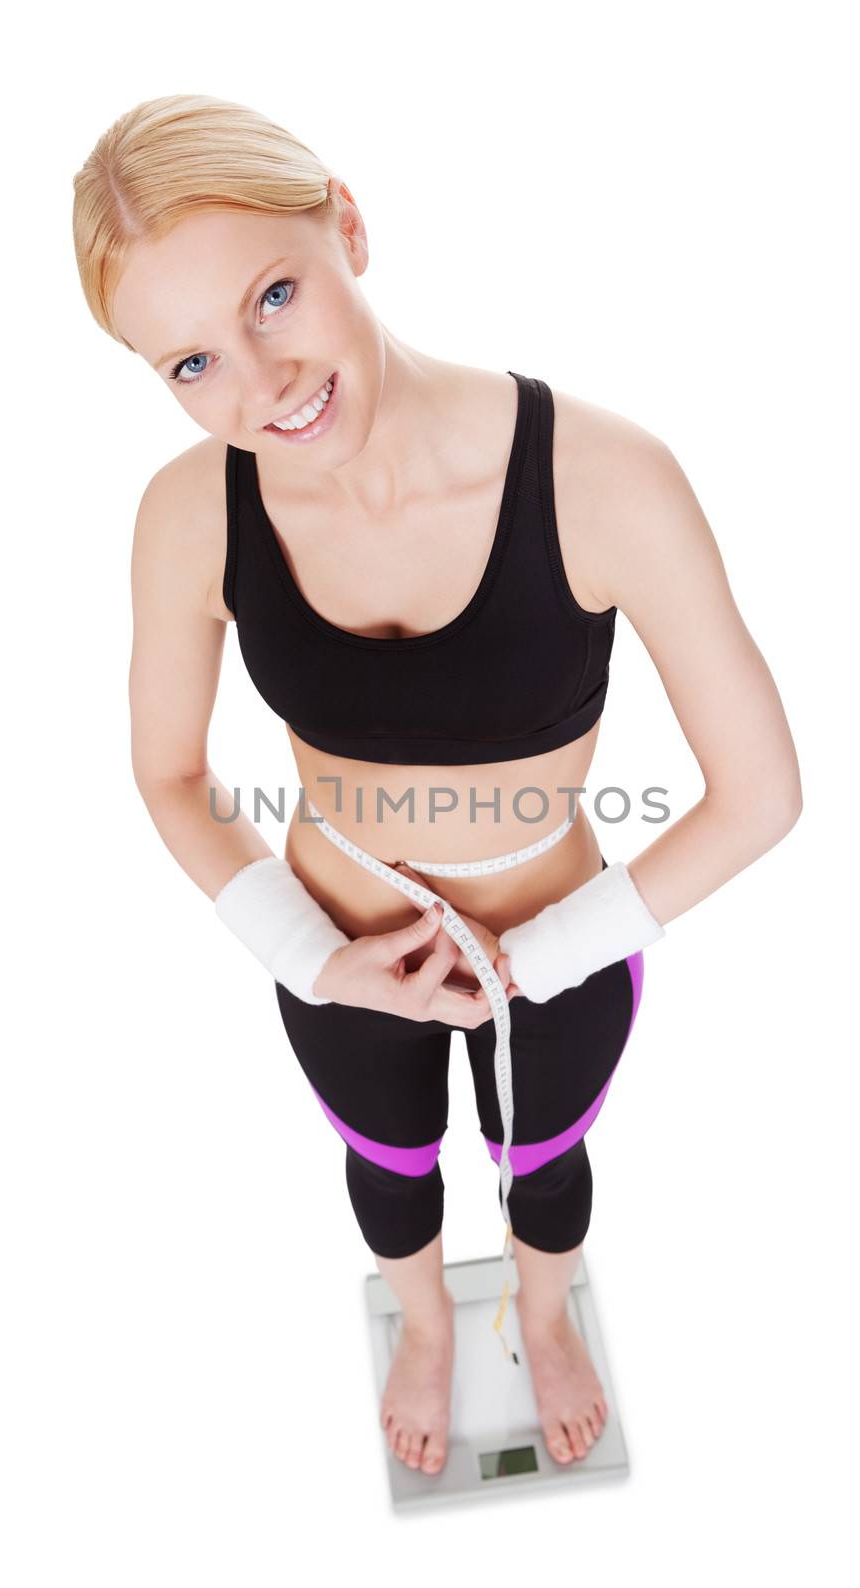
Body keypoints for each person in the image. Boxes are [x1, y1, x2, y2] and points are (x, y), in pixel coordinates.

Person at [72, 94, 802, 1478]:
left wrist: (542, 959)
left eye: (275, 295)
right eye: (191, 362)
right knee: (391, 1172)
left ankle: (544, 1308)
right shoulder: (187, 514)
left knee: (546, 1170)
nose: (262, 383)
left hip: (566, 950)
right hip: (346, 957)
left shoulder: (606, 477)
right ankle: (422, 1329)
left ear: (347, 222)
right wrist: (315, 961)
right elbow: (168, 771)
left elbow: (759, 793)